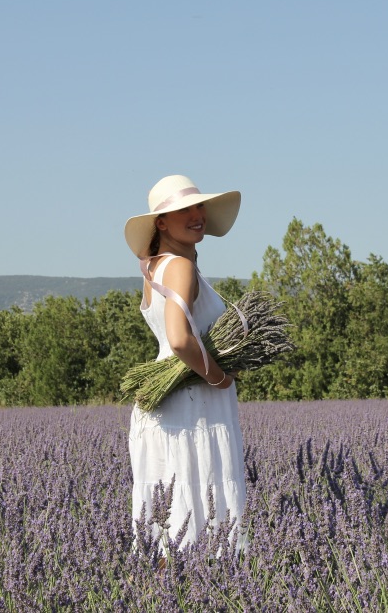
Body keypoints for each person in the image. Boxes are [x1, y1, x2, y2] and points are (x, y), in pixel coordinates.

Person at [123, 174, 248, 557]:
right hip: (194, 404)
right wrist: (219, 377)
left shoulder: (153, 266)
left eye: (199, 207)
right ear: (161, 222)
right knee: (199, 518)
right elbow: (179, 340)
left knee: (170, 522)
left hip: (166, 407)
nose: (197, 215)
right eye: (183, 210)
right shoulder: (179, 266)